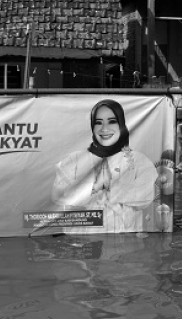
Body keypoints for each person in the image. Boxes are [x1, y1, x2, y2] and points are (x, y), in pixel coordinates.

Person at [52, 99, 158, 233]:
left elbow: (146, 197)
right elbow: (58, 196)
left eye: (112, 121)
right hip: (83, 243)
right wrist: (93, 188)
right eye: (98, 123)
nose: (104, 129)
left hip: (125, 242)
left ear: (121, 124)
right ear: (92, 126)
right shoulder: (73, 161)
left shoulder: (139, 161)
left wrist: (109, 188)